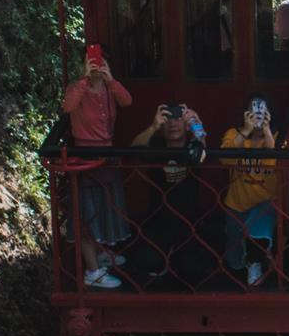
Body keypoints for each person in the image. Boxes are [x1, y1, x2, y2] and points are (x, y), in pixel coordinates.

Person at [62, 44, 132, 289]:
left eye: (100, 62)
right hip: (86, 157)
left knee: (105, 207)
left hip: (107, 155)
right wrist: (84, 78)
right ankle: (92, 271)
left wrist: (110, 80)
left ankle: (100, 255)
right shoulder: (77, 88)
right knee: (87, 213)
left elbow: (127, 101)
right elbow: (68, 107)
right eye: (92, 62)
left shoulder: (109, 89)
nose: (96, 66)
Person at [132, 103, 208, 279]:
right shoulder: (157, 143)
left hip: (189, 221)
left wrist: (197, 122)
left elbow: (202, 147)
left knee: (191, 269)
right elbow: (135, 148)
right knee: (146, 262)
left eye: (179, 119)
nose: (173, 124)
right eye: (168, 120)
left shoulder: (193, 142)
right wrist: (154, 126)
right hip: (158, 220)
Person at [220, 96, 278, 286]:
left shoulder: (275, 137)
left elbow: (270, 162)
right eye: (253, 112)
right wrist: (246, 131)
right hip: (237, 202)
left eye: (262, 112)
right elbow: (225, 160)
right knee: (234, 258)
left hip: (265, 202)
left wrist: (267, 132)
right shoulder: (233, 134)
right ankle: (238, 268)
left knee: (258, 229)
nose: (258, 116)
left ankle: (257, 262)